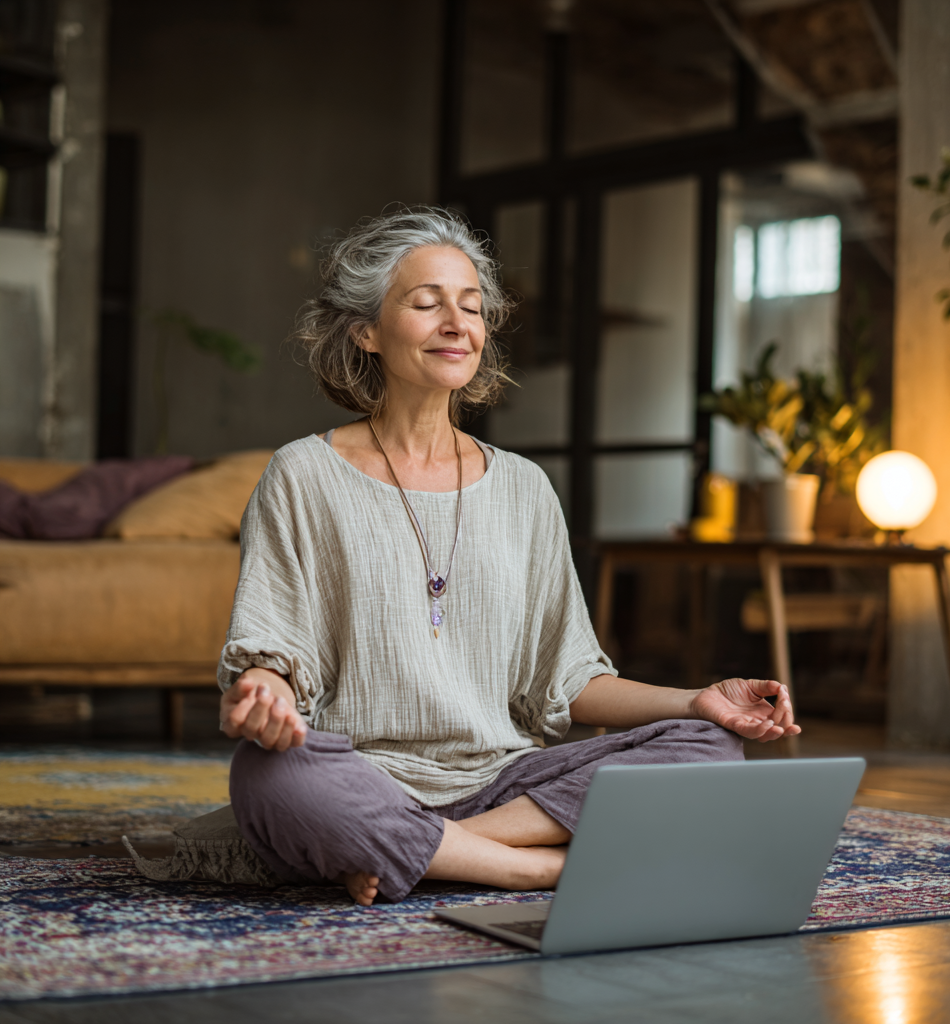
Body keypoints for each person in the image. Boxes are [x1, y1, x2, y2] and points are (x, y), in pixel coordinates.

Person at [218, 207, 800, 908]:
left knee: (706, 749)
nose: (457, 324)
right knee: (268, 775)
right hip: (366, 775)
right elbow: (273, 653)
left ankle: (427, 850)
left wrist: (698, 701)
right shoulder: (303, 474)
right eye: (426, 303)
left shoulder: (523, 487)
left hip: (507, 781)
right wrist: (264, 696)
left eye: (471, 307)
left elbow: (569, 679)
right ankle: (532, 867)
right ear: (366, 331)